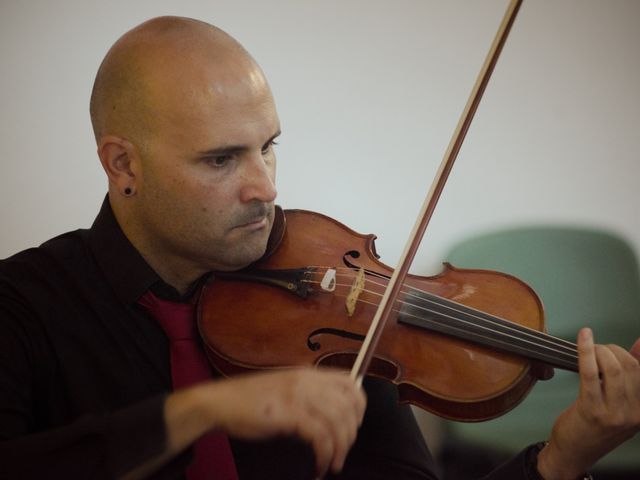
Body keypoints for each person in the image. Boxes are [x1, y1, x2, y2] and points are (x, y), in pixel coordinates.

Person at [0, 15, 638, 480]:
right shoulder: (23, 308)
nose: (266, 187)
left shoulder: (342, 311)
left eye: (268, 145)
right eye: (221, 159)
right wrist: (195, 412)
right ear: (122, 165)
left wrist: (564, 457)